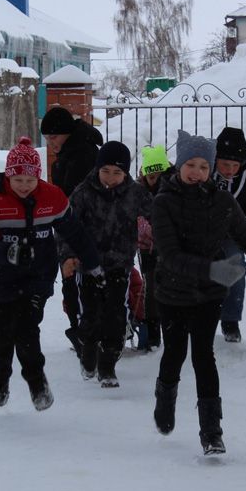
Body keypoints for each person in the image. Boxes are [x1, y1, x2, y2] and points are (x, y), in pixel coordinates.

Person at [151, 131, 246, 455]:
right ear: (180, 165)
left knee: (203, 357)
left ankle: (211, 431)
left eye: (203, 165)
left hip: (208, 295)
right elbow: (169, 256)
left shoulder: (222, 201)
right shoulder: (163, 202)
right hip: (171, 293)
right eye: (190, 164)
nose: (196, 171)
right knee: (174, 354)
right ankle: (165, 399)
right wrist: (211, 269)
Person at [0, 137, 102, 410]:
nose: (24, 186)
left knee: (28, 330)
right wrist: (7, 252)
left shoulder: (51, 197)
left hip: (37, 278)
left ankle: (37, 384)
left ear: (38, 177)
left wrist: (92, 261)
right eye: (18, 180)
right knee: (2, 332)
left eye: (30, 180)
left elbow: (75, 232)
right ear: (8, 175)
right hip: (2, 279)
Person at [60, 141, 153, 387]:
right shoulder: (83, 193)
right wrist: (69, 255)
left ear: (126, 173)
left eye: (117, 173)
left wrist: (157, 235)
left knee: (116, 316)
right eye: (106, 171)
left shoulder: (135, 193)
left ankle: (108, 365)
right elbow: (67, 227)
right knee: (90, 314)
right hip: (87, 265)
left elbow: (156, 214)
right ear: (98, 168)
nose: (111, 178)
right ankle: (88, 351)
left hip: (119, 264)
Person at [40, 105, 103, 353]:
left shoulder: (81, 155)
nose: (50, 143)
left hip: (82, 228)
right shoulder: (71, 151)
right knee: (75, 280)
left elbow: (73, 197)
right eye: (46, 139)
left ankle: (84, 331)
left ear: (66, 133)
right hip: (71, 226)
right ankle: (81, 329)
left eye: (53, 137)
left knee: (78, 279)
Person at [212, 127, 246, 344]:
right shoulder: (204, 170)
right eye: (225, 164)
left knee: (236, 267)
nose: (230, 170)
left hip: (231, 233)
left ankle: (230, 319)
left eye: (235, 165)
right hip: (198, 231)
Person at [136, 144, 171, 350]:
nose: (156, 180)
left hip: (170, 246)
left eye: (161, 175)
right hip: (146, 246)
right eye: (152, 176)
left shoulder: (173, 188)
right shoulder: (138, 191)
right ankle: (152, 332)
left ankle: (170, 328)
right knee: (150, 287)